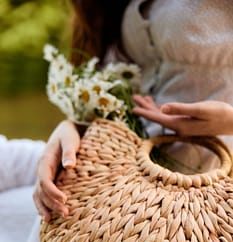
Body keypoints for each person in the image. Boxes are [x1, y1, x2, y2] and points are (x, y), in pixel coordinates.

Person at [33, 0, 233, 222]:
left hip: (213, 193)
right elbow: (115, 93)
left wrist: (230, 121)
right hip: (124, 183)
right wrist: (75, 127)